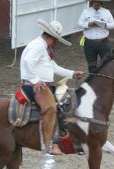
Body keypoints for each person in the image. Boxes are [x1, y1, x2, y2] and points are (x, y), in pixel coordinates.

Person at [20, 19, 84, 155]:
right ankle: (48, 144)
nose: (57, 44)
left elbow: (54, 67)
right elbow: (28, 61)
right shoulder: (38, 46)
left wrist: (73, 74)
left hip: (42, 86)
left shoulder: (43, 48)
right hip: (36, 86)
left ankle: (59, 141)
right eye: (57, 40)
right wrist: (35, 80)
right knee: (51, 108)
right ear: (52, 38)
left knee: (63, 104)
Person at [78, 0, 114, 74]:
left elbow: (113, 25)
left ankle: (105, 81)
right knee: (91, 65)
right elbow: (79, 24)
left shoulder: (106, 12)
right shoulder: (86, 11)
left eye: (98, 2)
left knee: (106, 63)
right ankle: (92, 81)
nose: (96, 4)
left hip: (104, 42)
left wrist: (105, 24)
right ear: (92, 2)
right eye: (95, 2)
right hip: (89, 43)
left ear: (101, 2)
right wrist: (89, 24)